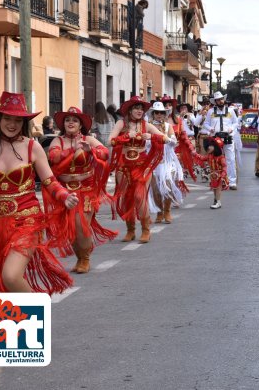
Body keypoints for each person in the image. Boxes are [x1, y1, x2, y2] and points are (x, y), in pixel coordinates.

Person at [0, 92, 79, 293]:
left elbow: (50, 181)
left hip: (27, 221)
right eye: (7, 118)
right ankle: (22, 322)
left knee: (11, 276)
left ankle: (38, 309)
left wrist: (64, 196)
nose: (12, 124)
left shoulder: (33, 147)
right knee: (4, 283)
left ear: (24, 122)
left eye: (17, 120)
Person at [48, 107, 117, 274]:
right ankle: (80, 257)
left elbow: (105, 153)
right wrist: (72, 150)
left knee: (80, 225)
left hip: (86, 190)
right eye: (67, 120)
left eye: (75, 120)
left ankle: (85, 258)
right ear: (63, 124)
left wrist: (91, 150)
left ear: (80, 125)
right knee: (70, 228)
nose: (70, 122)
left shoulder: (88, 139)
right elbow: (53, 157)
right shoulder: (58, 141)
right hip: (65, 192)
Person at [109, 96, 170, 243]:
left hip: (142, 166)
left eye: (141, 109)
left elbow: (166, 139)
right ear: (130, 110)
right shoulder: (121, 123)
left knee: (139, 196)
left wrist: (151, 137)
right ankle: (130, 230)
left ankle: (145, 229)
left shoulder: (146, 125)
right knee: (126, 198)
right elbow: (110, 141)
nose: (139, 111)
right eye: (136, 108)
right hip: (123, 167)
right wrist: (124, 137)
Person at [146, 102, 186, 224]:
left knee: (167, 186)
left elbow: (174, 141)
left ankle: (167, 211)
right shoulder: (148, 126)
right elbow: (144, 143)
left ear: (165, 114)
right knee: (156, 189)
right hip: (153, 161)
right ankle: (159, 212)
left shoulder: (168, 126)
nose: (159, 115)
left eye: (161, 113)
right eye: (156, 112)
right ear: (153, 114)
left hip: (167, 161)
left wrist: (167, 139)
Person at [203, 91, 239, 189]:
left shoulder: (230, 110)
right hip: (216, 138)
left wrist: (231, 128)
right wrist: (210, 129)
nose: (220, 101)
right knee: (216, 160)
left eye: (221, 99)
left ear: (224, 99)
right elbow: (205, 124)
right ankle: (219, 180)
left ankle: (232, 182)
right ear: (215, 101)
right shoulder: (211, 111)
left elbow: (236, 123)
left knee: (230, 159)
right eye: (218, 100)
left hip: (228, 136)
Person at [193, 137, 228, 209]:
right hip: (213, 176)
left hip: (219, 175)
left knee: (218, 188)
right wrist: (194, 154)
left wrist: (222, 175)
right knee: (214, 188)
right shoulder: (209, 156)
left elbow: (224, 166)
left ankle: (218, 202)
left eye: (209, 146)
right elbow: (202, 158)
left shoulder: (221, 157)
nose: (208, 148)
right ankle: (216, 201)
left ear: (214, 146)